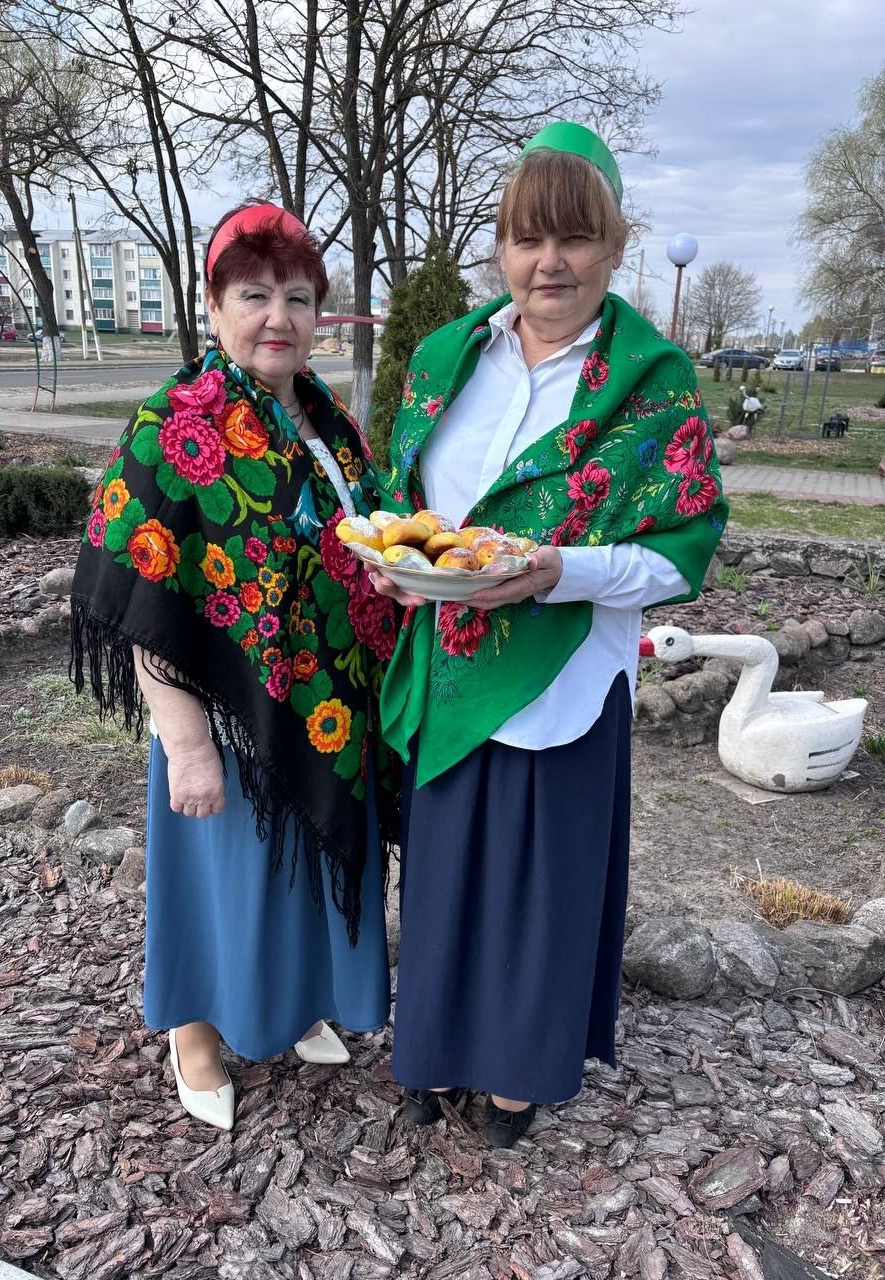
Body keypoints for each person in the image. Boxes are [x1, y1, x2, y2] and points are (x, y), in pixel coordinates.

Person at [371, 123, 728, 1148]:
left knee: (537, 887)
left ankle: (517, 1076)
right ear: (502, 247)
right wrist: (397, 564)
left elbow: (681, 553)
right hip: (450, 671)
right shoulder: (448, 358)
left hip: (564, 678)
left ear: (615, 245)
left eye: (575, 237)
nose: (550, 261)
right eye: (529, 238)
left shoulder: (648, 383)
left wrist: (561, 570)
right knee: (443, 876)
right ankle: (433, 1051)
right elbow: (409, 502)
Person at [70, 203, 397, 1132]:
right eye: (254, 295)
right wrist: (185, 743)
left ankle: (293, 1005)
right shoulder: (177, 423)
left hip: (324, 706)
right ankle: (195, 1032)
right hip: (224, 713)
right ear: (213, 306)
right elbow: (142, 589)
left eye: (298, 297)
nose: (278, 318)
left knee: (299, 875)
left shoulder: (327, 420)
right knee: (222, 887)